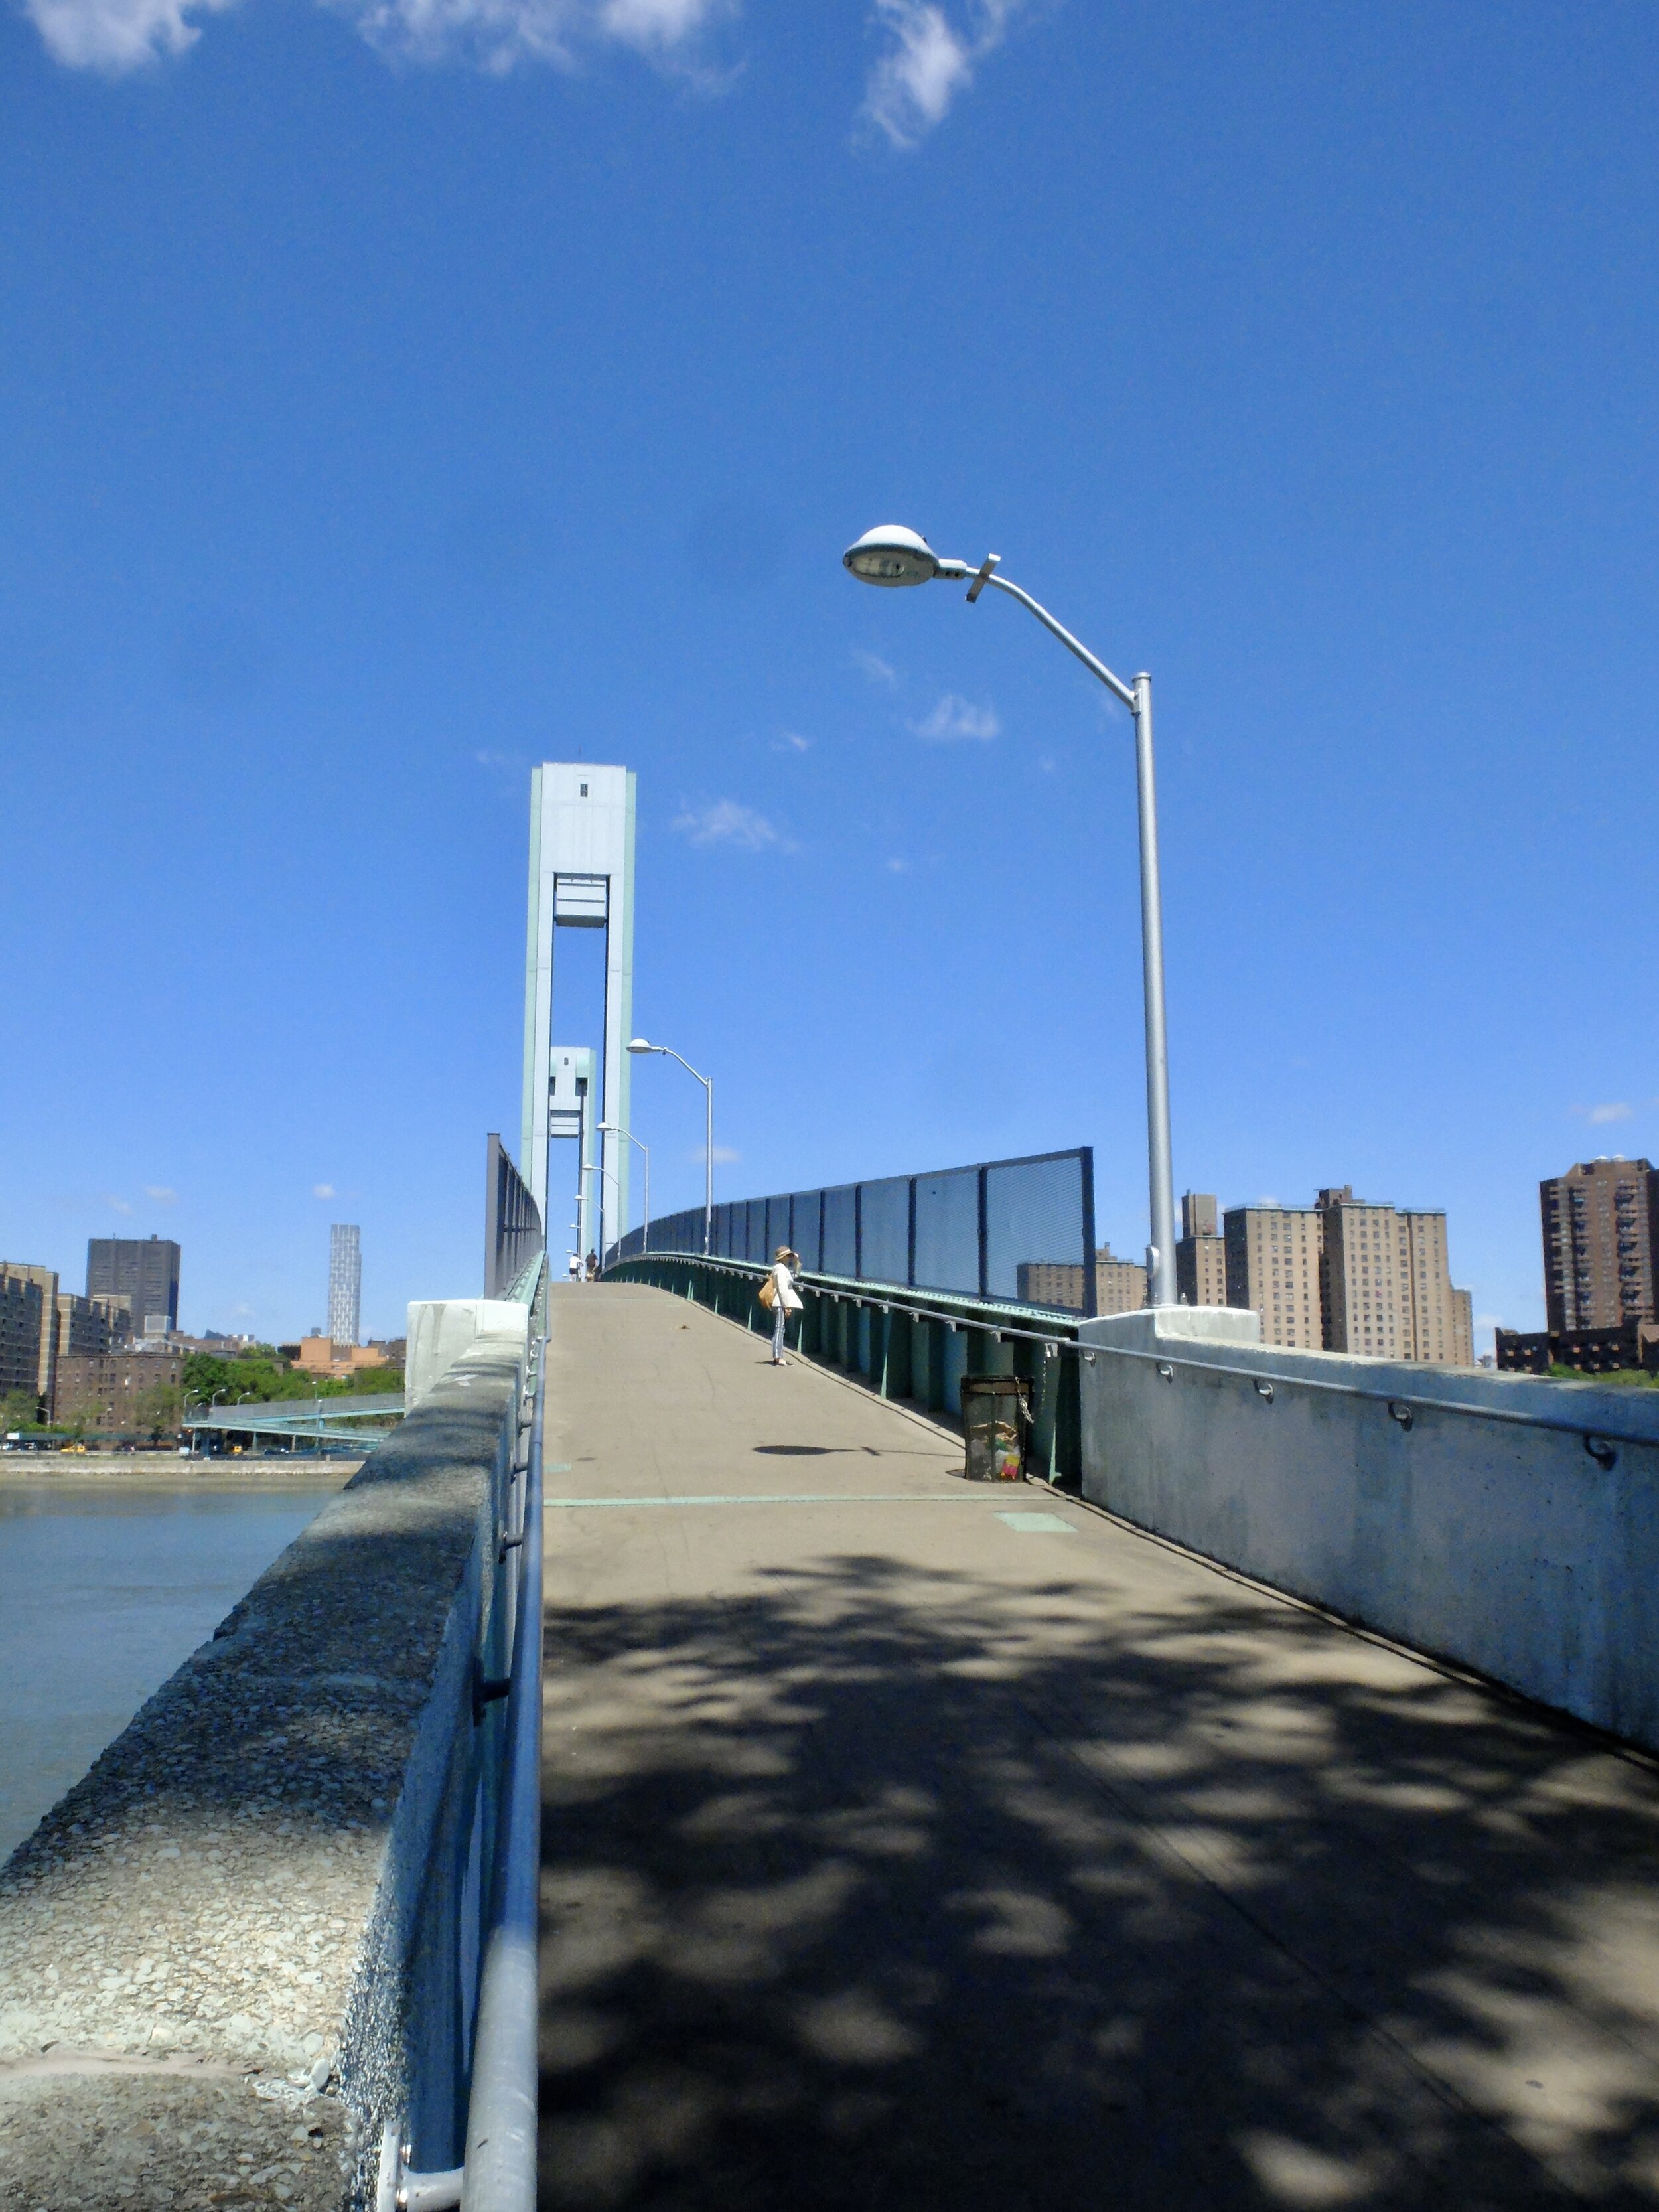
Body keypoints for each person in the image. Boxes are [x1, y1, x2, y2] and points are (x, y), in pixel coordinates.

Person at [766, 1246, 802, 1365]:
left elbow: (795, 1276)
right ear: (784, 1257)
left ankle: (778, 1356)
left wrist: (797, 1262)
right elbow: (782, 1289)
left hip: (780, 1302)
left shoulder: (781, 1268)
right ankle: (778, 1357)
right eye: (789, 1256)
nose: (790, 1258)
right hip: (780, 1302)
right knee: (780, 1329)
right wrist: (787, 1306)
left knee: (780, 1328)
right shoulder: (781, 1269)